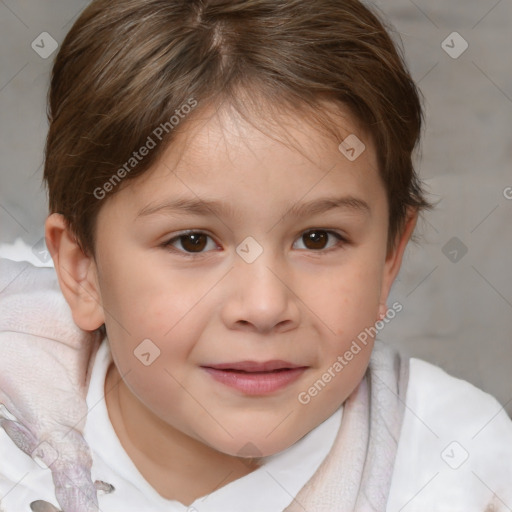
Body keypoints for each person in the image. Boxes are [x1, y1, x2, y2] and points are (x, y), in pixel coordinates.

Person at [1, 0, 512, 510]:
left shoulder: (466, 469)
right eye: (193, 241)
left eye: (318, 239)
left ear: (387, 260)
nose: (265, 306)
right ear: (82, 270)